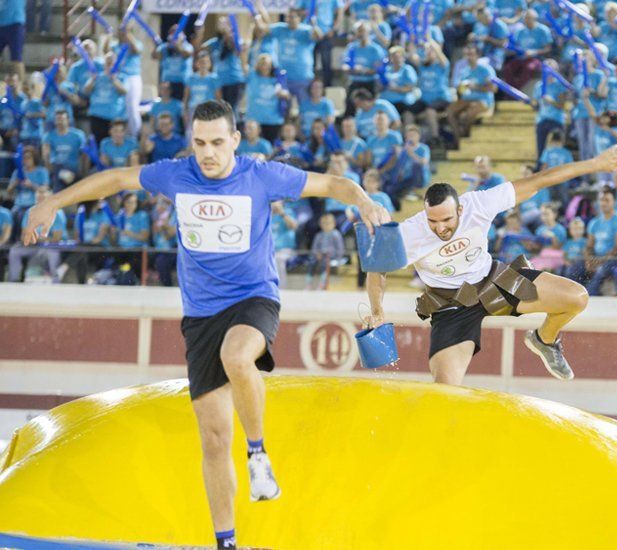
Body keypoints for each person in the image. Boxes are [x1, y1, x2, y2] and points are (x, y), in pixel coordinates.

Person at [21, 100, 389, 549]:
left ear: (235, 140)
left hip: (254, 299)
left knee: (237, 356)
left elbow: (332, 184)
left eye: (217, 142)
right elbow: (116, 180)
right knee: (214, 439)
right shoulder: (177, 175)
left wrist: (365, 201)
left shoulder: (260, 175)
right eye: (199, 143)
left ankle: (257, 454)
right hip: (200, 316)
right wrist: (53, 201)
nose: (208, 153)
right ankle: (226, 542)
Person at [364, 145, 617, 386]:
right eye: (432, 222)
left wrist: (595, 164)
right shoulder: (410, 233)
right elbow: (377, 270)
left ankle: (544, 339)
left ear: (460, 209)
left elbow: (539, 181)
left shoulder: (478, 204)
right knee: (446, 391)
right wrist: (377, 310)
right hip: (451, 307)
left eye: (446, 220)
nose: (440, 228)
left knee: (576, 299)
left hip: (495, 283)